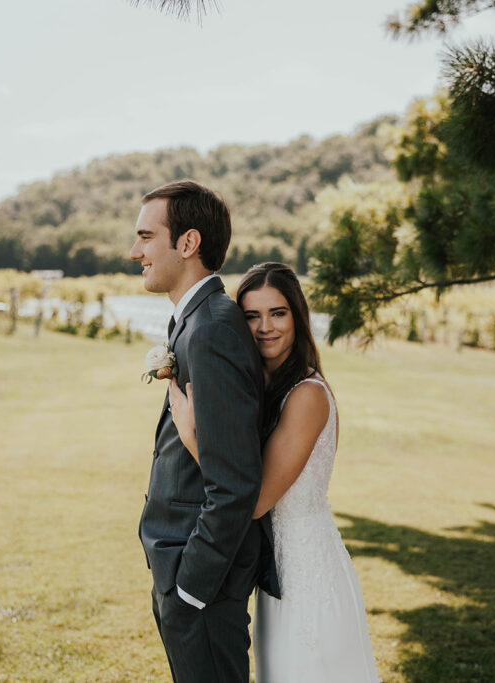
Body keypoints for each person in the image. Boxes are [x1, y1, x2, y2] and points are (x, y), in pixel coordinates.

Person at [168, 262, 380, 682]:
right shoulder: (262, 390)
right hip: (276, 571)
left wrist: (192, 436)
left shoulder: (307, 395)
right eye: (251, 315)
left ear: (297, 317)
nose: (265, 327)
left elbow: (257, 498)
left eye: (278, 313)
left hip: (307, 574)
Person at [131, 181, 279, 683]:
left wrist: (191, 585)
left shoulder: (212, 328)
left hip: (201, 583)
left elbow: (235, 481)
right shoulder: (193, 321)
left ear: (188, 243)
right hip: (182, 570)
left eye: (146, 237)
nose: (135, 252)